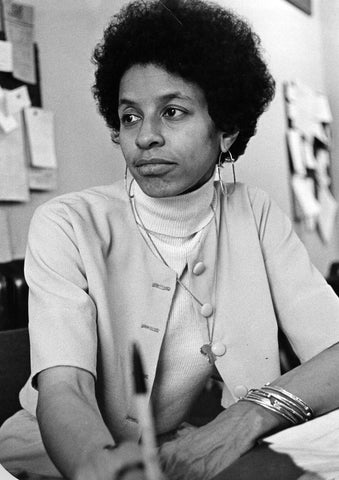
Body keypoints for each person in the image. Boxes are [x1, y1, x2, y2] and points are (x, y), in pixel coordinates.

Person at [1, 1, 339, 479]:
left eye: (173, 111)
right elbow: (66, 387)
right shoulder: (67, 223)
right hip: (53, 460)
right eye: (131, 117)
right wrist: (111, 471)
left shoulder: (255, 213)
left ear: (226, 130)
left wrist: (248, 417)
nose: (145, 137)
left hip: (178, 454)